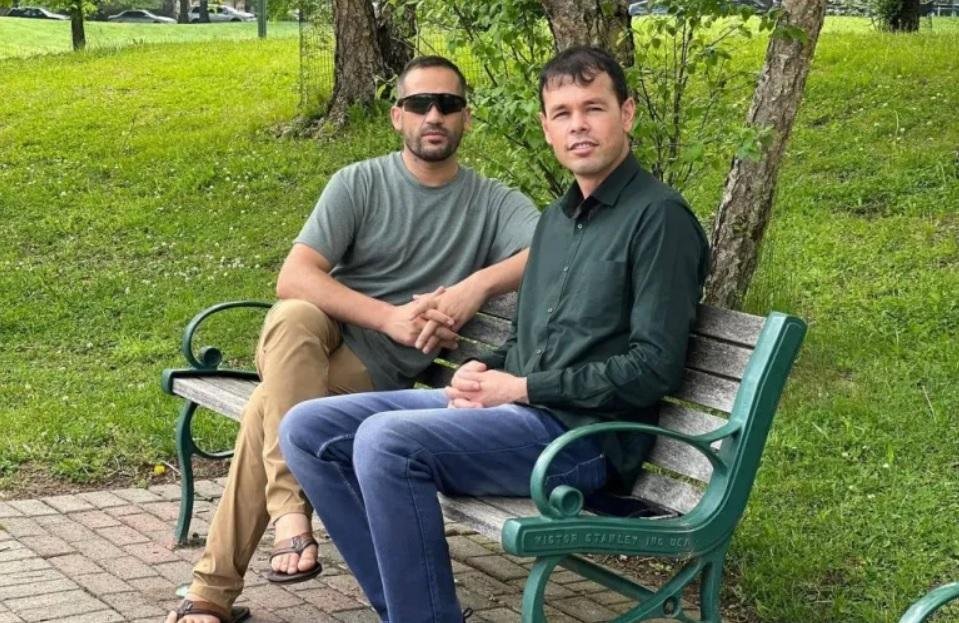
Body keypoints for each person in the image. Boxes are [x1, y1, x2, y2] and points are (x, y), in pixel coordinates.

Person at [278, 46, 711, 623]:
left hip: (582, 441)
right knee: (307, 427)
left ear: (626, 114)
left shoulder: (659, 219)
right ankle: (411, 611)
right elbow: (534, 335)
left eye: (594, 108)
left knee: (387, 442)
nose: (578, 125)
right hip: (520, 413)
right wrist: (484, 370)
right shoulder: (557, 221)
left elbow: (654, 366)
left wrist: (522, 387)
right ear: (546, 127)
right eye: (562, 113)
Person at [167, 55, 541, 623]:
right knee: (293, 315)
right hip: (323, 333)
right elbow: (295, 276)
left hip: (372, 370)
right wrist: (390, 317)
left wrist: (473, 288)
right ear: (397, 116)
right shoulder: (360, 182)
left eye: (448, 104)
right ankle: (291, 512)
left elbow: (548, 251)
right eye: (419, 104)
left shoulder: (492, 201)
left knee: (268, 406)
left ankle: (209, 598)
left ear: (466, 118)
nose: (433, 115)